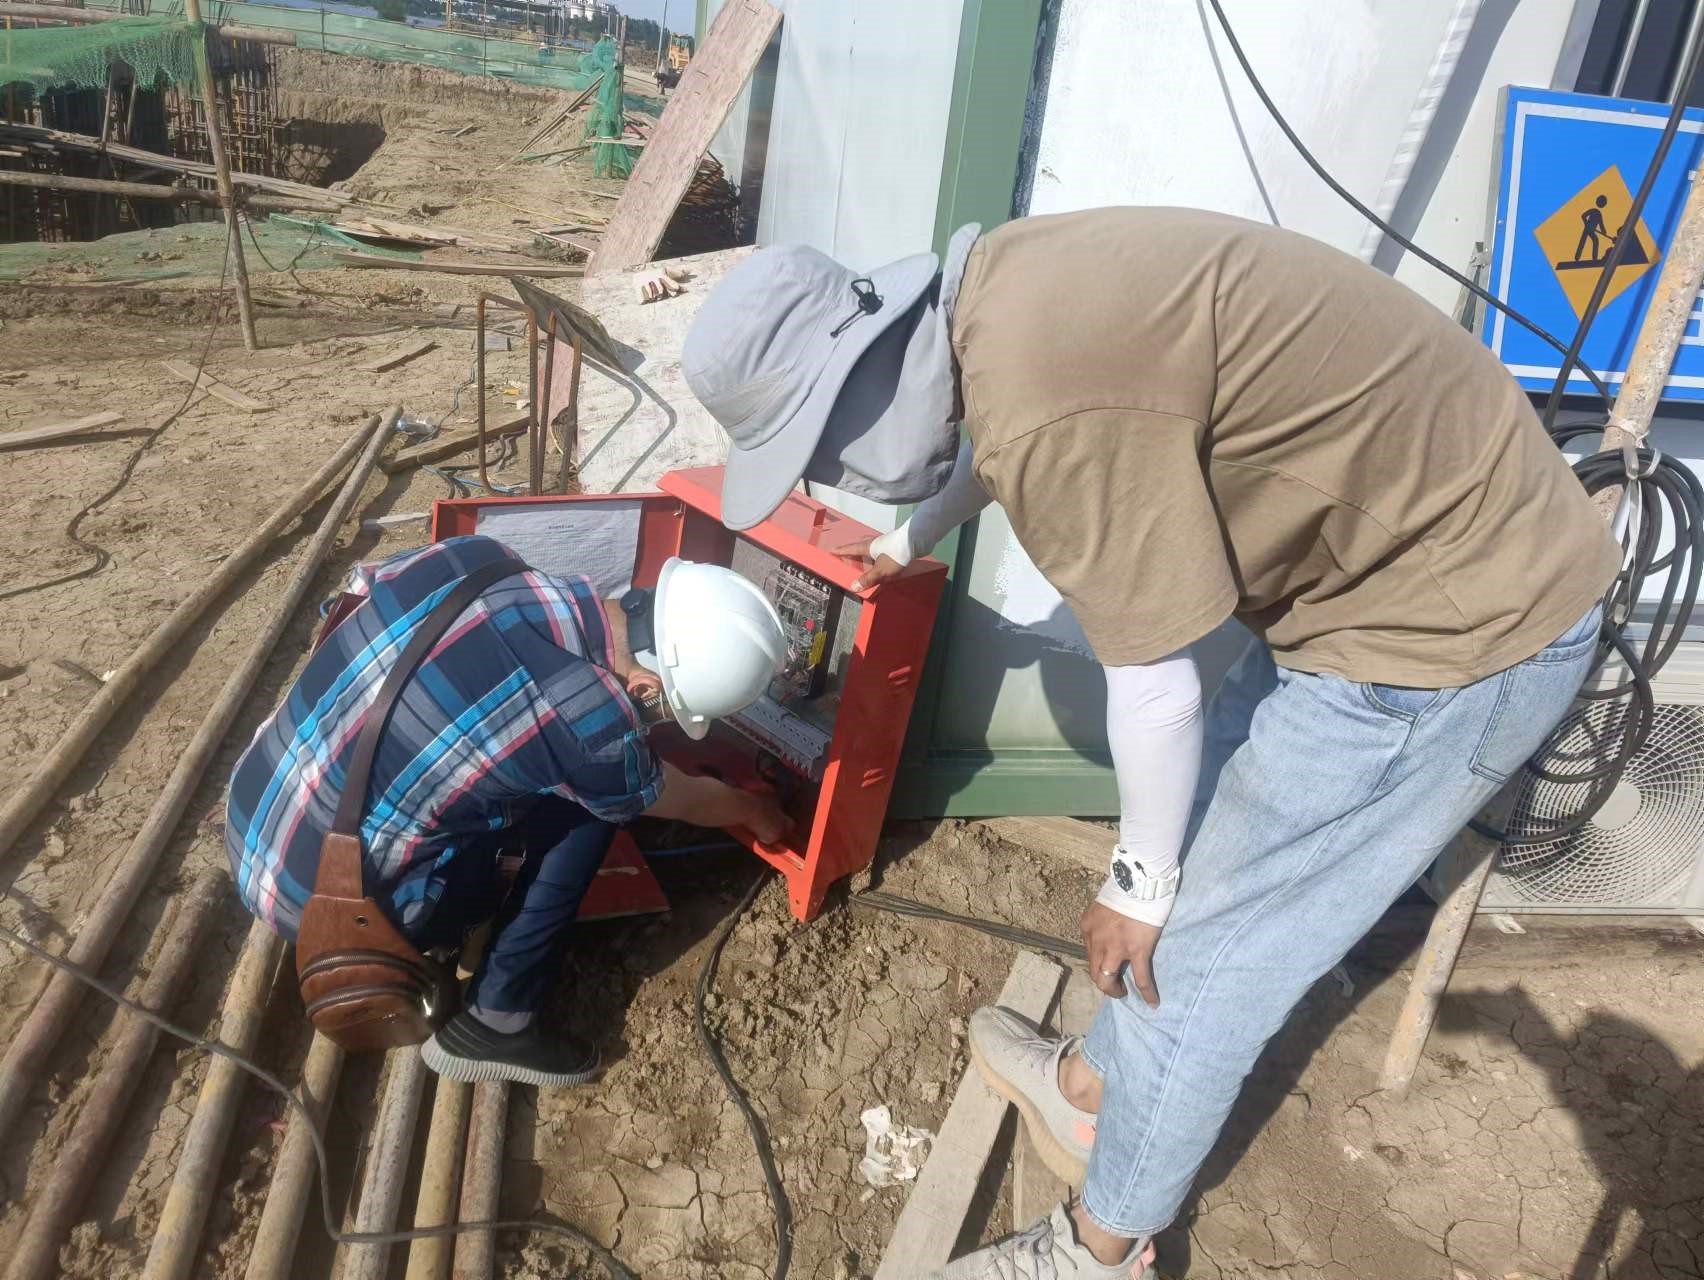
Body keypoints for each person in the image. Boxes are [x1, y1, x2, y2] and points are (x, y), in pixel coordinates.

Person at [681, 207, 1621, 1278]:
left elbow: (1157, 686)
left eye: (817, 449)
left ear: (856, 378)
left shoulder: (1042, 399)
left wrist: (1136, 882)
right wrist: (912, 533)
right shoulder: (999, 298)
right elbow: (1018, 434)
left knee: (1199, 960)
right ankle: (1092, 1089)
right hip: (1380, 575)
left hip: (1450, 633)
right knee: (1199, 836)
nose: (831, 474)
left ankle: (1102, 1246)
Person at [226, 534, 791, 1086]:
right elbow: (678, 797)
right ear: (645, 688)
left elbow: (352, 600)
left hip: (255, 820)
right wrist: (756, 812)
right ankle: (498, 1020)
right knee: (603, 804)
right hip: (337, 910)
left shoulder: (475, 556)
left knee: (533, 763)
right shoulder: (591, 720)